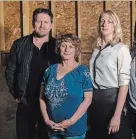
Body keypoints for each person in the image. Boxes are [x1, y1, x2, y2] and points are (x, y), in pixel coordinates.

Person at [5, 8, 60, 139]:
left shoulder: (58, 46)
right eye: (39, 21)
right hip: (26, 101)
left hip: (49, 103)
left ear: (51, 24)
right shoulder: (20, 44)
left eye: (46, 22)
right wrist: (16, 93)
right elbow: (10, 70)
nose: (42, 25)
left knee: (46, 136)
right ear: (33, 23)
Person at [86, 10, 132, 139]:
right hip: (95, 102)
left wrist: (117, 115)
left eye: (109, 21)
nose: (104, 24)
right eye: (102, 21)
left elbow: (124, 84)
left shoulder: (121, 49)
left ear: (115, 25)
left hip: (112, 101)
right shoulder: (96, 49)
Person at [39, 34, 93, 139]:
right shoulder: (49, 70)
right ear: (59, 48)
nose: (67, 49)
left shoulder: (82, 72)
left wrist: (70, 121)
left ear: (76, 50)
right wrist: (46, 120)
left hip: (74, 130)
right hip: (53, 128)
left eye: (71, 46)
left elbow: (88, 100)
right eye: (64, 45)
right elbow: (41, 98)